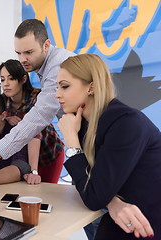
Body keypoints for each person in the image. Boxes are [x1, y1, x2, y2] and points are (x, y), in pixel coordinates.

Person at [56, 54, 160, 239]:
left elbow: (93, 195)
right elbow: (87, 185)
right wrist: (111, 201)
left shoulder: (126, 122)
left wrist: (71, 139)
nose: (57, 94)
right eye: (57, 87)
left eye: (64, 86)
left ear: (91, 87)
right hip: (118, 213)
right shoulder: (84, 124)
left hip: (144, 222)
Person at [0, 18, 75, 180]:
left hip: (52, 151)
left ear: (46, 45)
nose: (22, 60)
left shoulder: (57, 66)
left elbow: (40, 117)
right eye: (18, 53)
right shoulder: (4, 103)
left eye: (28, 52)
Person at [0, 59, 64, 184]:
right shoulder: (2, 102)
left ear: (23, 79)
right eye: (2, 79)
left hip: (49, 153)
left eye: (11, 79)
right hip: (24, 158)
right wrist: (6, 118)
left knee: (47, 193)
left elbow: (33, 132)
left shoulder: (38, 97)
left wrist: (33, 171)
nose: (5, 84)